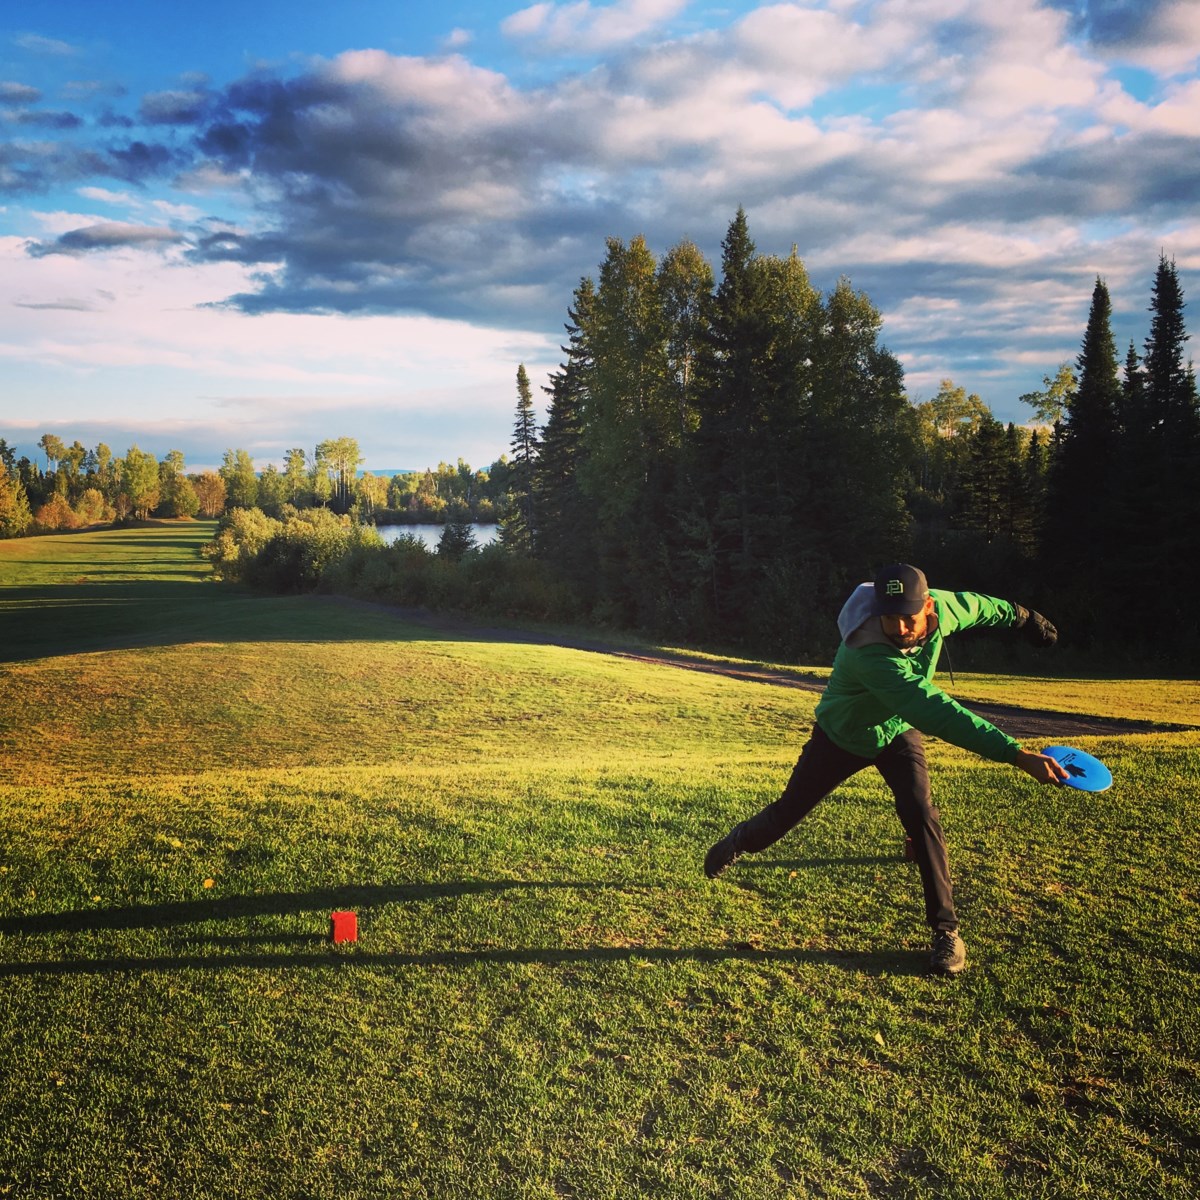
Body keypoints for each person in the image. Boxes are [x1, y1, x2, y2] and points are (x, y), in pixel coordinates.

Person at [703, 563, 1067, 975]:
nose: (899, 627)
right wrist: (1016, 754)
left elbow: (978, 606)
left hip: (896, 729)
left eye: (908, 617)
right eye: (889, 617)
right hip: (842, 736)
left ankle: (946, 932)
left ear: (928, 606)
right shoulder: (868, 652)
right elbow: (936, 711)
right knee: (788, 812)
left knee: (922, 812)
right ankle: (740, 840)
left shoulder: (944, 608)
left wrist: (1023, 617)